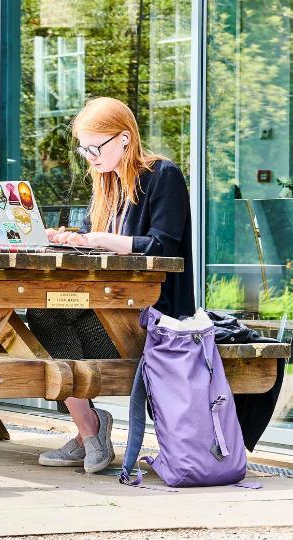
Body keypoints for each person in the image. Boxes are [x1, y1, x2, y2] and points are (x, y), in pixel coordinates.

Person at [32, 96, 194, 473]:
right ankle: (89, 428)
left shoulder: (162, 175)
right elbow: (99, 239)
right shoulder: (106, 182)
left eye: (94, 147)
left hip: (149, 316)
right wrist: (73, 239)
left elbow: (162, 246)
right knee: (41, 315)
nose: (89, 156)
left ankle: (87, 431)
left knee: (54, 330)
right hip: (111, 303)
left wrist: (97, 239)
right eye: (83, 149)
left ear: (124, 138)